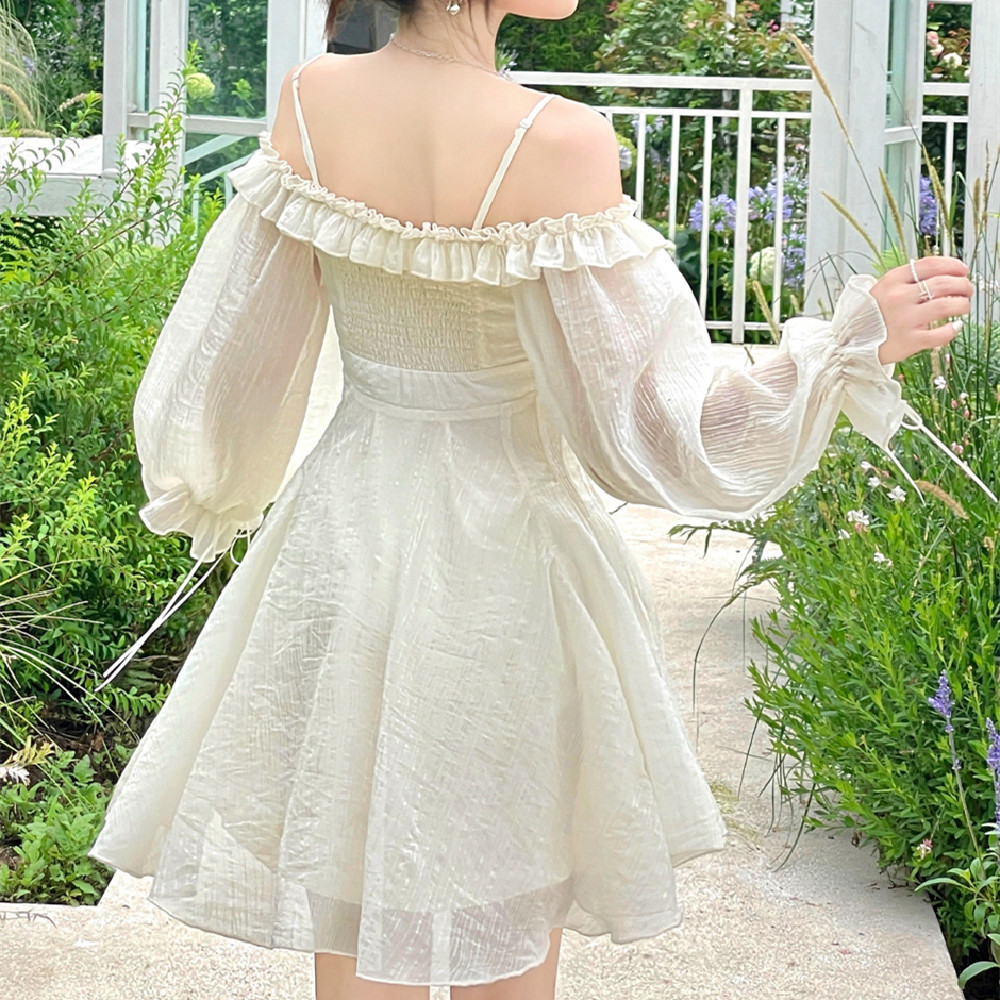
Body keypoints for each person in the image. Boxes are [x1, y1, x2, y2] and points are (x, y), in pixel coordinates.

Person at [87, 1, 984, 999]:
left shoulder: (308, 98)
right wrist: (847, 346)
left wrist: (211, 487)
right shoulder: (560, 142)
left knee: (354, 875)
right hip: (505, 569)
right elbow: (659, 426)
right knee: (503, 915)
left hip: (343, 537)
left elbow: (237, 345)